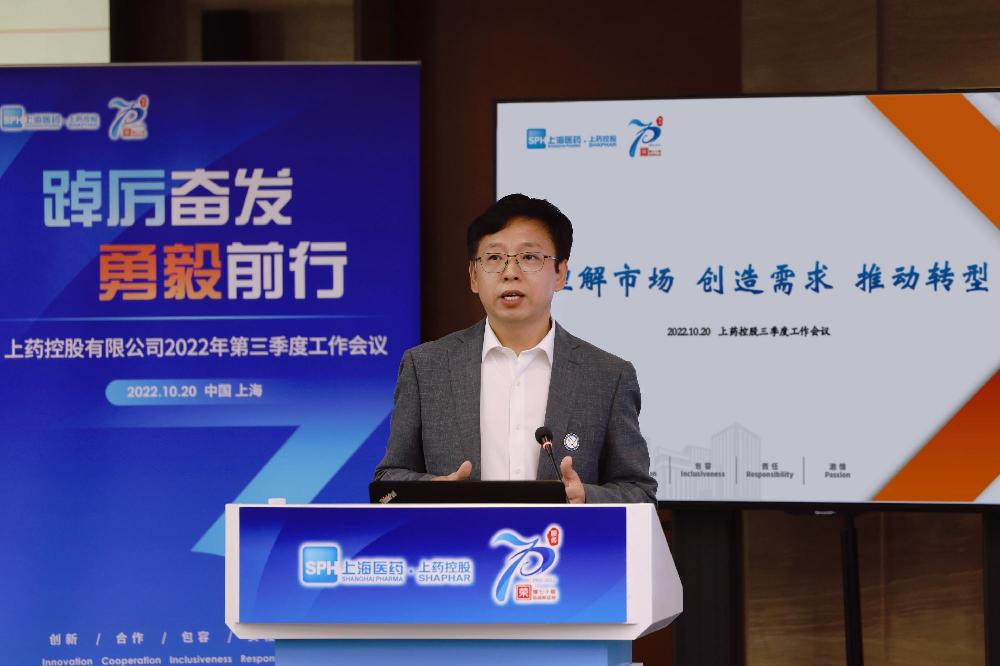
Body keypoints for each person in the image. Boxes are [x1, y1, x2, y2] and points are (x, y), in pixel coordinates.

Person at [373, 194, 656, 503]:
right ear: (474, 276)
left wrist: (585, 497)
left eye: (529, 257)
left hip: (563, 535)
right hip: (462, 535)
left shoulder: (607, 376)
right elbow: (388, 483)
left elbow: (639, 493)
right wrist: (435, 492)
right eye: (494, 258)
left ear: (560, 273)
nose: (510, 272)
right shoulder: (426, 367)